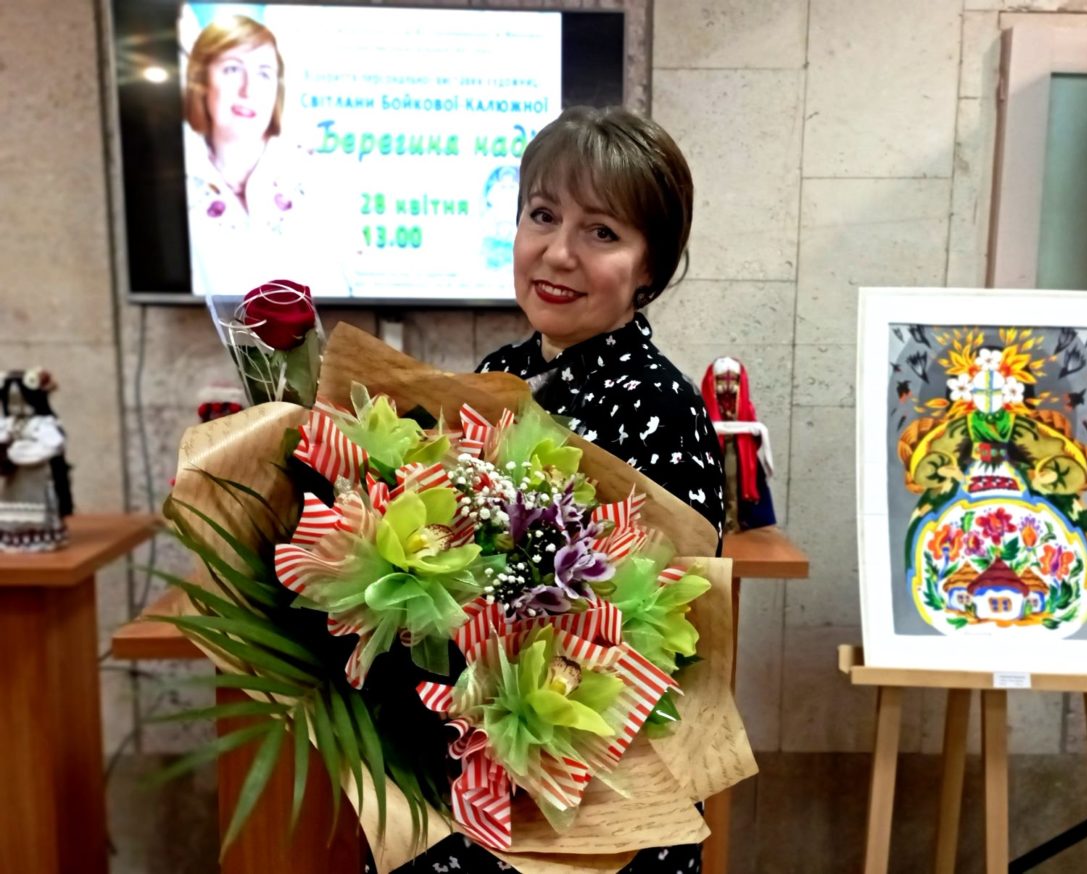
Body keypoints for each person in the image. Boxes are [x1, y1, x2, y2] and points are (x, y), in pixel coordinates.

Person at [389, 105, 724, 874]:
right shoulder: (500, 371)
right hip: (467, 761)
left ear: (650, 267)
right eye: (542, 216)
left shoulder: (659, 406)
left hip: (584, 793)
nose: (559, 252)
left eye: (601, 232)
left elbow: (663, 641)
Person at [183, 15, 348, 296]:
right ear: (201, 82)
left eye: (264, 73)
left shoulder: (319, 178)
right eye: (232, 69)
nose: (249, 90)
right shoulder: (176, 183)